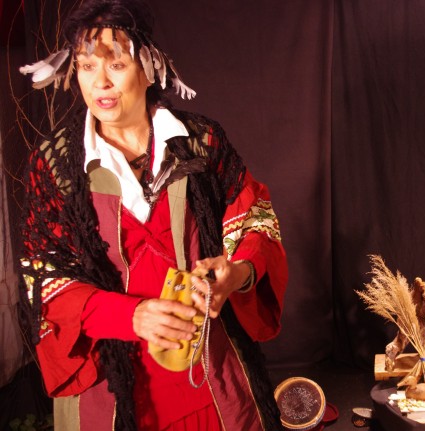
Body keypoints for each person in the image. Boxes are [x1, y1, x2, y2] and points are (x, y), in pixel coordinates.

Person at [18, 1, 288, 430]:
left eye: (116, 64)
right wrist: (131, 316)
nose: (101, 82)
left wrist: (235, 274)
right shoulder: (55, 167)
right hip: (113, 393)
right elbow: (45, 279)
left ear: (148, 68)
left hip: (213, 380)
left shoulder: (201, 141)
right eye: (86, 66)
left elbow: (255, 218)